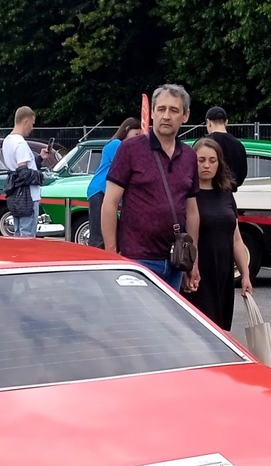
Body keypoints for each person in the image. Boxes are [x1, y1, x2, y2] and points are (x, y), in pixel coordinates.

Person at [101, 84, 200, 291]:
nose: (166, 116)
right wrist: (111, 252)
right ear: (152, 113)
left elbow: (191, 211)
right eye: (161, 109)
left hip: (175, 260)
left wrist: (193, 259)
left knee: (167, 323)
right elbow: (109, 203)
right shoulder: (130, 149)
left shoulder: (189, 156)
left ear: (185, 116)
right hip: (137, 261)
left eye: (174, 110)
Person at [183, 137, 253, 329]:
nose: (207, 165)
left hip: (223, 274)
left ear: (219, 163)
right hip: (197, 274)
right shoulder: (187, 195)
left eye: (212, 161)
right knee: (201, 331)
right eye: (201, 160)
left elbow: (236, 238)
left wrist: (245, 274)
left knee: (222, 330)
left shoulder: (226, 193)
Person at [86, 118, 141, 249]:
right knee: (98, 235)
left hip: (104, 190)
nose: (137, 140)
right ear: (127, 129)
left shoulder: (119, 145)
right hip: (100, 189)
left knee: (110, 231)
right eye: (136, 135)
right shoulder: (117, 144)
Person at [1, 107, 46, 238]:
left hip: (15, 194)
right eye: (32, 123)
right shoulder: (20, 143)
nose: (32, 128)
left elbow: (17, 169)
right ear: (25, 121)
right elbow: (24, 174)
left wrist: (40, 159)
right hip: (28, 197)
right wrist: (41, 175)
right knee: (27, 236)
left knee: (18, 233)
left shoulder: (7, 141)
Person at [205, 106, 248, 188]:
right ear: (226, 122)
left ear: (208, 122)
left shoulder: (205, 143)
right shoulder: (239, 145)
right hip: (229, 196)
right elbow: (242, 173)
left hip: (208, 194)